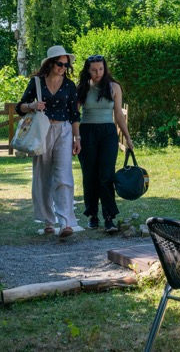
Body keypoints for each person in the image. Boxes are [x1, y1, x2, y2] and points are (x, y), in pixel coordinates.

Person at [16, 45, 81, 238]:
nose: (63, 68)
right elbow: (20, 107)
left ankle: (65, 222)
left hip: (64, 131)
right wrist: (33, 105)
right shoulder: (36, 82)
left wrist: (77, 138)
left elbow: (75, 114)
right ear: (51, 64)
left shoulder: (69, 85)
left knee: (63, 176)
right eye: (60, 64)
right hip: (41, 132)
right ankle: (48, 221)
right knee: (43, 177)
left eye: (66, 65)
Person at [76, 54, 133, 233]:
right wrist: (75, 137)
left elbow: (119, 115)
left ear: (105, 69)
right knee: (90, 175)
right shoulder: (82, 88)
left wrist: (128, 138)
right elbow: (74, 115)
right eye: (94, 70)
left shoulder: (114, 87)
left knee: (106, 175)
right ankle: (92, 215)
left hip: (108, 133)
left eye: (101, 69)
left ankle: (109, 217)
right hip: (86, 133)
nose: (98, 73)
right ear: (88, 70)